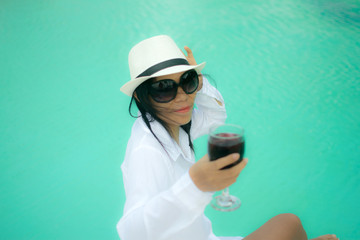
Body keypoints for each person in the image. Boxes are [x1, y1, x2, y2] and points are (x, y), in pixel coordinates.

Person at [117, 35, 338, 240]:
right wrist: (195, 184)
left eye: (187, 81)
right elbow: (131, 232)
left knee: (291, 223)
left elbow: (215, 118)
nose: (183, 97)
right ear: (140, 95)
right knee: (289, 226)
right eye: (164, 88)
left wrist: (200, 86)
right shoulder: (146, 151)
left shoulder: (171, 123)